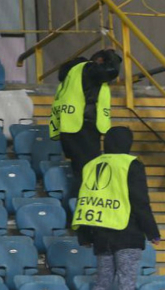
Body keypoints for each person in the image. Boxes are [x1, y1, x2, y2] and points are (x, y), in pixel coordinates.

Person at [74, 127, 161, 290]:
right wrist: (152, 231)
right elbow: (140, 201)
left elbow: (85, 201)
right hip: (127, 233)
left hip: (101, 235)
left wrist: (84, 234)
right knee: (126, 284)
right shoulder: (131, 164)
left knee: (103, 283)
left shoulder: (91, 165)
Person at [50, 49, 122, 189]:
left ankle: (79, 203)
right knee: (88, 174)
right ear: (100, 61)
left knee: (82, 172)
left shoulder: (73, 72)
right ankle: (83, 204)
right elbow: (111, 71)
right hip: (82, 127)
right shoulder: (88, 69)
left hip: (70, 127)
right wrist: (112, 57)